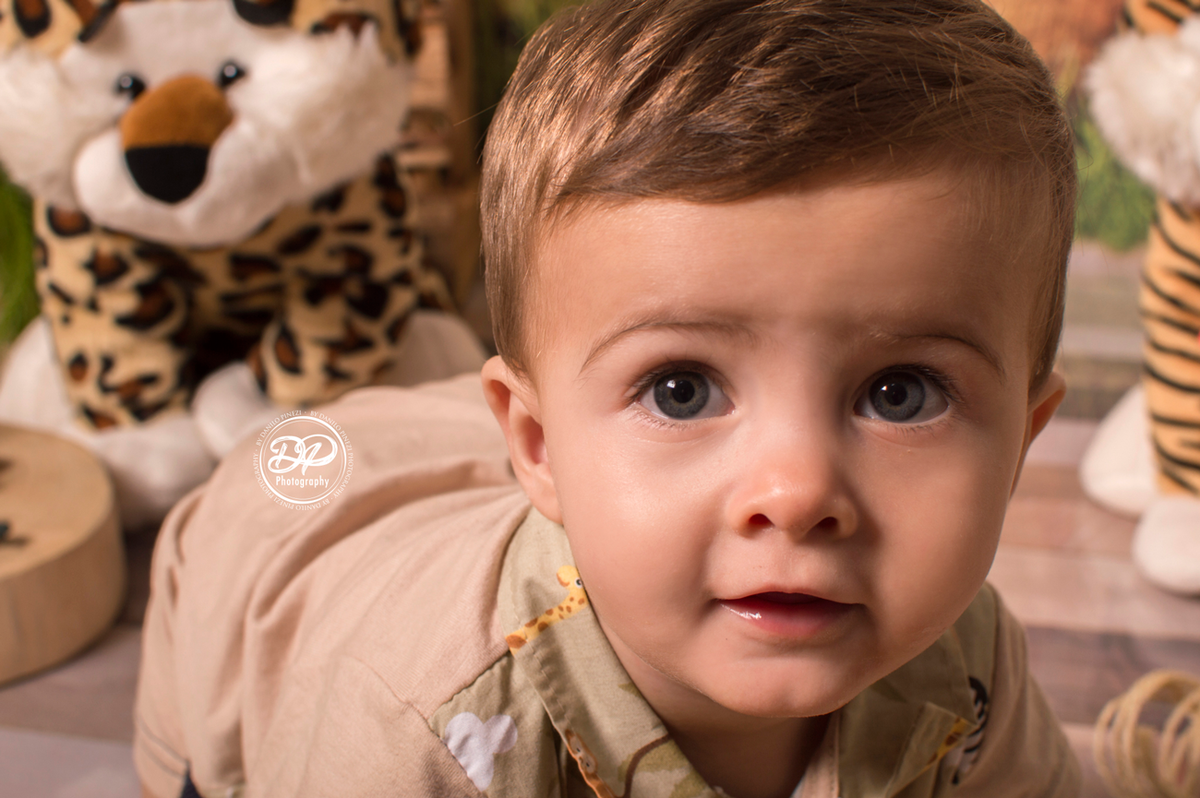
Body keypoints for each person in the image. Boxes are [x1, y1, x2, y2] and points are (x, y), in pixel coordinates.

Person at [134, 0, 1082, 795]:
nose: (795, 493)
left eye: (901, 393)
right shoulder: (417, 732)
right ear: (537, 443)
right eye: (681, 389)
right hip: (270, 543)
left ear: (1022, 444)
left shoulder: (966, 663)